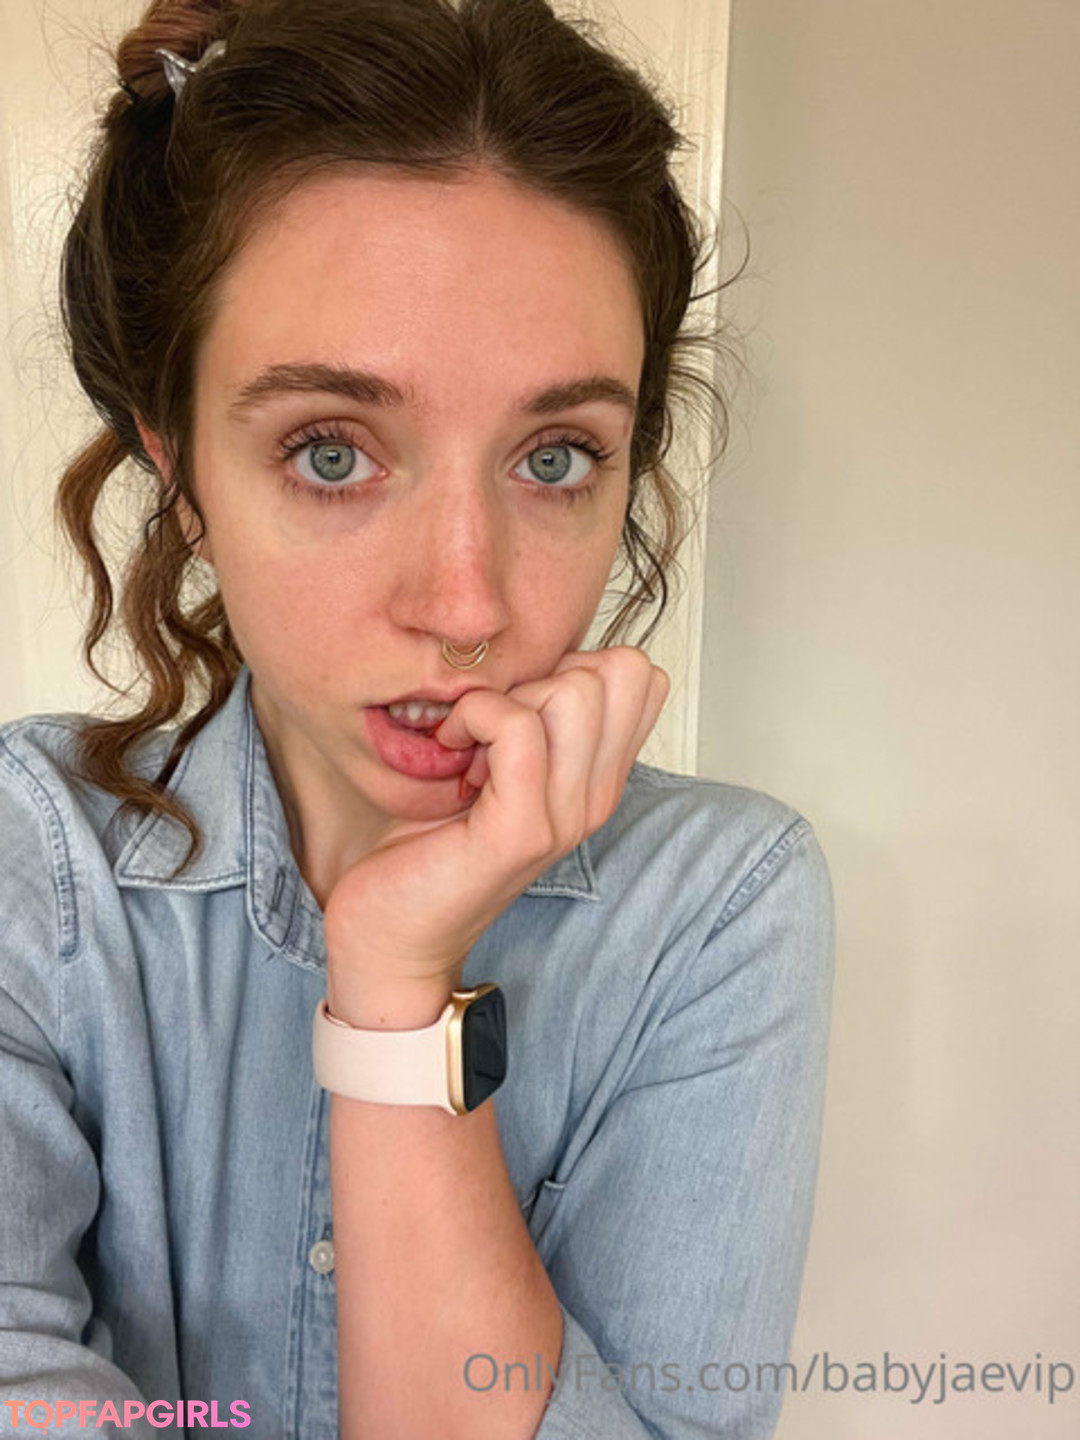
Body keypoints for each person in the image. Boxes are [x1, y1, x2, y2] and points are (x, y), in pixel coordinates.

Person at [0, 0, 834, 1436]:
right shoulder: (34, 868)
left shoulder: (716, 906)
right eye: (332, 452)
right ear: (179, 471)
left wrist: (398, 989)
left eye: (556, 458)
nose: (466, 603)